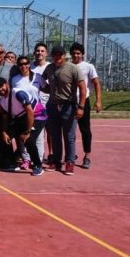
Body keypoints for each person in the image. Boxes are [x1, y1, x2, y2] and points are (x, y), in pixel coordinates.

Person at [41, 45, 87, 175]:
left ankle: (69, 162)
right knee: (55, 135)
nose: (57, 57)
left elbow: (82, 88)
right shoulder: (49, 68)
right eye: (55, 54)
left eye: (60, 55)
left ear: (64, 55)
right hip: (52, 106)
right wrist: (44, 88)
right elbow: (42, 81)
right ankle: (56, 161)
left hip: (69, 106)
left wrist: (81, 107)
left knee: (69, 136)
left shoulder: (73, 68)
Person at [0, 78, 45, 176]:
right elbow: (5, 117)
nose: (0, 89)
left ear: (7, 84)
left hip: (37, 115)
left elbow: (30, 111)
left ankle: (38, 166)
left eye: (1, 86)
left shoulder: (18, 93)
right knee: (5, 136)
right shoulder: (2, 99)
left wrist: (27, 132)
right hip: (21, 117)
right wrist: (4, 132)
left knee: (28, 140)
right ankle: (11, 162)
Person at [69, 42, 102, 169]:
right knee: (69, 131)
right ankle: (72, 154)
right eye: (74, 53)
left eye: (78, 53)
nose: (76, 55)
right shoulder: (68, 66)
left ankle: (87, 156)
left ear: (82, 54)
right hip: (70, 102)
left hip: (83, 102)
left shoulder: (88, 66)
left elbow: (96, 83)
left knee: (85, 130)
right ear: (70, 54)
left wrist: (98, 100)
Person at [10, 55, 45, 171]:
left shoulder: (37, 77)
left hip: (37, 111)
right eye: (20, 64)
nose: (23, 66)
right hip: (23, 112)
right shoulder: (15, 79)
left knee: (35, 138)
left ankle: (38, 161)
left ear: (29, 64)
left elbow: (48, 89)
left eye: (25, 63)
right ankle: (26, 159)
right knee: (22, 138)